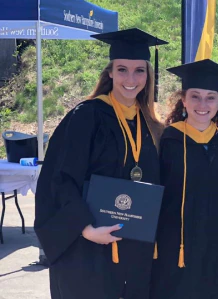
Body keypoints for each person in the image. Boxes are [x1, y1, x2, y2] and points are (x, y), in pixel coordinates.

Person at [34, 28, 167, 299]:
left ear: (148, 75)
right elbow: (60, 178)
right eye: (122, 70)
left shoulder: (150, 125)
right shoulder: (86, 117)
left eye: (139, 71)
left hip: (133, 249)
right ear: (109, 73)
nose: (131, 79)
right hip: (89, 249)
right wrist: (85, 229)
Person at [150, 59, 218, 299]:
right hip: (176, 247)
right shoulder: (167, 141)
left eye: (211, 97)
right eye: (195, 96)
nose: (203, 104)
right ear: (184, 100)